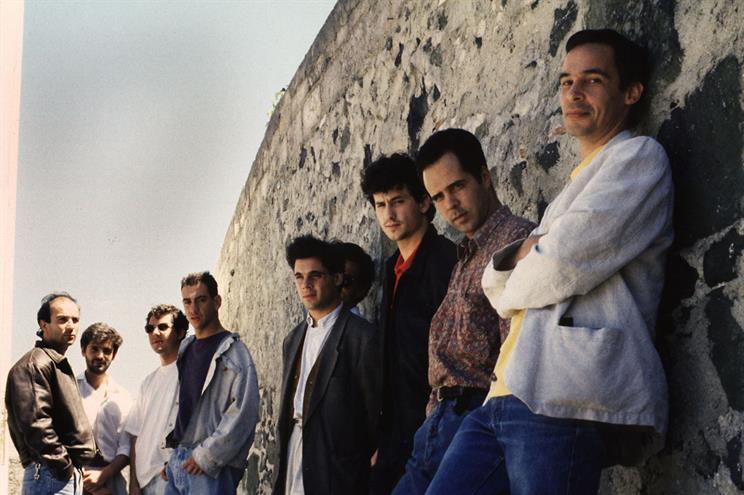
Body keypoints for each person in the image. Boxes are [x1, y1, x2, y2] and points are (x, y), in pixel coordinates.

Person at [426, 29, 673, 495]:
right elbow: (495, 284)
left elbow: (560, 264)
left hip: (563, 396)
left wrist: (526, 259)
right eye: (565, 82)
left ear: (631, 92)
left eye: (593, 80)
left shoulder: (639, 159)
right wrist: (524, 260)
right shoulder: (570, 191)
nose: (574, 93)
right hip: (506, 391)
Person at [391, 130, 535, 494]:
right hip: (437, 425)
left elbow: (518, 357)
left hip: (475, 419)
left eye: (457, 187)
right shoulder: (464, 257)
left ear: (484, 177)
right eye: (439, 196)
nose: (450, 205)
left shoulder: (516, 242)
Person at [361, 152, 457, 494]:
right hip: (394, 433)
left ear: (424, 202)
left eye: (398, 201)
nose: (388, 214)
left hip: (435, 424)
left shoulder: (447, 261)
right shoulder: (391, 269)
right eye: (380, 204)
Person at [274, 235, 381, 495]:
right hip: (293, 454)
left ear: (336, 278)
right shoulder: (292, 340)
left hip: (336, 465)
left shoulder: (362, 337)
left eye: (315, 276)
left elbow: (375, 413)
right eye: (299, 277)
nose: (306, 285)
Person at [163, 271, 259, 495]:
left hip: (210, 467)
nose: (193, 309)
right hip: (179, 459)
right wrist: (172, 457)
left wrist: (207, 456)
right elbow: (182, 407)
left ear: (217, 302)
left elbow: (244, 411)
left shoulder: (234, 352)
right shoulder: (186, 348)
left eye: (201, 300)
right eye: (187, 302)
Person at [5, 292, 96, 495]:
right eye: (62, 319)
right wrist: (64, 467)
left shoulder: (54, 363)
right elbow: (36, 425)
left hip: (59, 475)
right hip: (51, 475)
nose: (71, 326)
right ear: (44, 324)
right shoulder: (34, 365)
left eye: (75, 320)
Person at [125, 304, 188, 495]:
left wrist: (175, 463)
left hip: (169, 476)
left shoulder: (189, 373)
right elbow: (135, 435)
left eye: (163, 327)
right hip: (144, 481)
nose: (155, 333)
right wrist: (133, 482)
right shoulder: (148, 382)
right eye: (150, 328)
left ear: (180, 332)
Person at [77, 322, 132, 495]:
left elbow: (126, 446)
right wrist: (83, 481)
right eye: (94, 349)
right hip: (75, 478)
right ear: (83, 350)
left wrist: (104, 475)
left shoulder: (123, 397)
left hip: (111, 480)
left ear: (113, 355)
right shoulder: (70, 390)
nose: (100, 356)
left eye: (107, 351)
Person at [335, 241, 375, 318]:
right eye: (333, 276)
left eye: (345, 280)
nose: (336, 284)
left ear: (360, 290)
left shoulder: (356, 325)